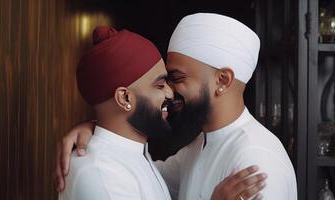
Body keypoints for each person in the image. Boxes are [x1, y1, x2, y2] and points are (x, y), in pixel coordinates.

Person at [57, 13, 291, 200]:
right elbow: (127, 171)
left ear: (222, 81)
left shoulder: (256, 161)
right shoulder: (198, 147)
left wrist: (104, 129)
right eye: (162, 83)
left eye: (176, 78)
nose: (170, 91)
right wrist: (101, 129)